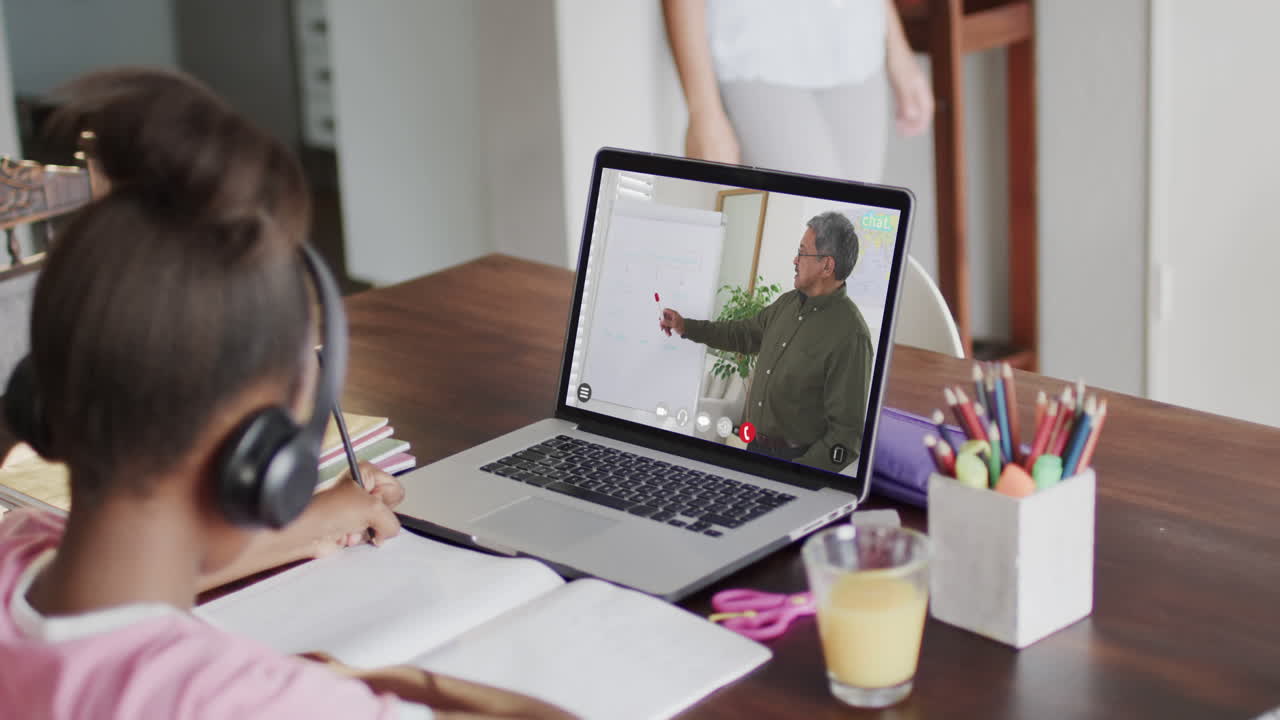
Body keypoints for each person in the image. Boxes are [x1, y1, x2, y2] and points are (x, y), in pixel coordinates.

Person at [0, 68, 573, 720]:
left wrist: (310, 523)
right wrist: (374, 683)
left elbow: (118, 603)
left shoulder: (19, 548)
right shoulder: (235, 701)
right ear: (261, 460)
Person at [659, 212, 872, 471]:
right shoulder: (786, 304)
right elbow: (741, 334)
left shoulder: (851, 335)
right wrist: (685, 326)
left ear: (827, 266)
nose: (794, 260)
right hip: (754, 448)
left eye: (802, 252)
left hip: (794, 462)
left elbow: (846, 437)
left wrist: (798, 475)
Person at [662, 0, 933, 181]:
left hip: (857, 44)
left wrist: (898, 47)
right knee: (810, 229)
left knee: (858, 237)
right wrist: (703, 111)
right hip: (754, 51)